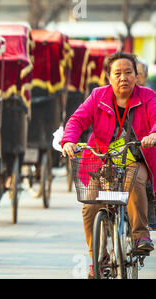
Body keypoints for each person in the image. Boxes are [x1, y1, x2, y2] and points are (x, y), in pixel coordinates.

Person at [61, 52, 156, 278]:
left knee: (135, 181)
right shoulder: (98, 96)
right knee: (89, 206)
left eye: (128, 72)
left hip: (136, 158)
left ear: (135, 76)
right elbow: (77, 120)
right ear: (109, 77)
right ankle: (98, 258)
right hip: (102, 160)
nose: (123, 77)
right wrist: (69, 140)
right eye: (118, 73)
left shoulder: (148, 96)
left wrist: (153, 134)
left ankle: (140, 235)